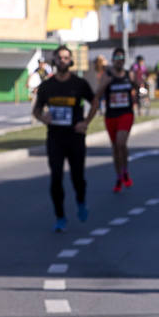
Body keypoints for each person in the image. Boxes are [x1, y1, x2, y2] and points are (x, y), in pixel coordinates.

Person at [31, 45, 95, 232]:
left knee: (77, 177)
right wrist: (44, 118)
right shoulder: (47, 86)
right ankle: (60, 217)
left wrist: (86, 122)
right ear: (55, 61)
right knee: (56, 178)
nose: (63, 61)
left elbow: (95, 103)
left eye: (66, 58)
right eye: (59, 58)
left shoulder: (79, 84)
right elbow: (36, 110)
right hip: (55, 138)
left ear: (71, 61)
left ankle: (81, 201)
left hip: (75, 137)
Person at [88, 47, 137, 192]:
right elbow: (97, 94)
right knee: (115, 147)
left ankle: (125, 171)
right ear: (113, 60)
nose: (119, 61)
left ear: (124, 60)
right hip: (111, 115)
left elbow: (138, 87)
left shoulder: (129, 74)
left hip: (126, 113)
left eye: (122, 58)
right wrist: (105, 83)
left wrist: (137, 85)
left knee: (121, 142)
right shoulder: (107, 74)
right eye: (116, 58)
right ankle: (119, 176)